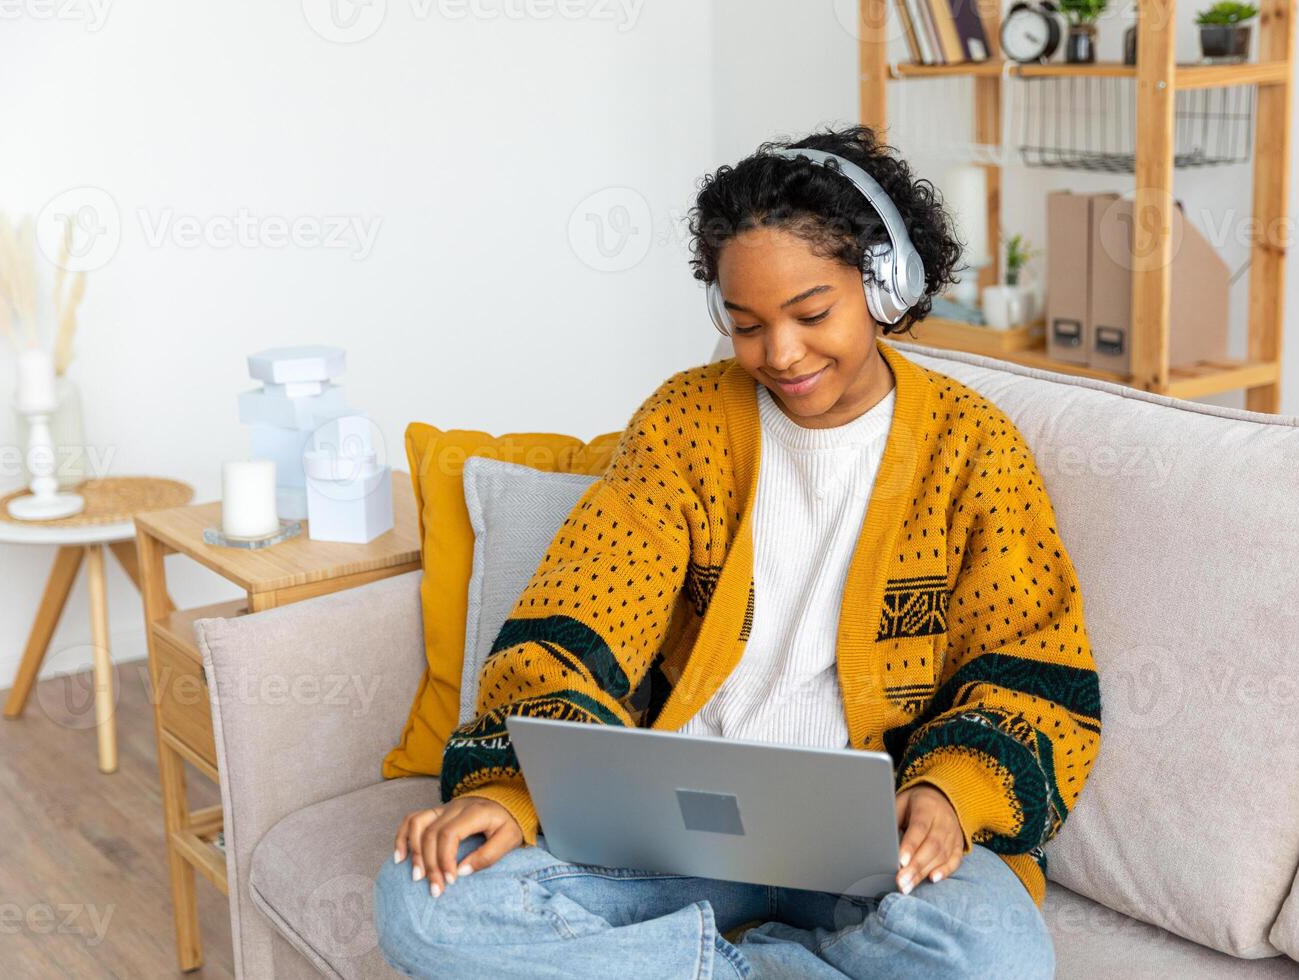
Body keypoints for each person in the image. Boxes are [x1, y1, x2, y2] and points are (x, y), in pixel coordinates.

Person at [374, 124, 1102, 979]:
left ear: (885, 282)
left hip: (874, 865)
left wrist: (949, 793)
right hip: (672, 845)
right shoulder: (685, 424)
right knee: (424, 902)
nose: (781, 355)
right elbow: (572, 622)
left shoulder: (975, 451)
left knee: (997, 956)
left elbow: (1036, 673)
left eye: (812, 314)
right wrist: (509, 791)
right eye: (747, 324)